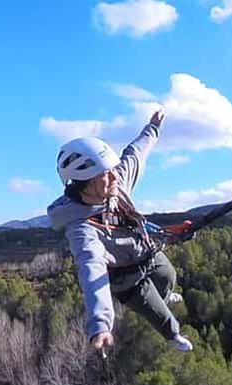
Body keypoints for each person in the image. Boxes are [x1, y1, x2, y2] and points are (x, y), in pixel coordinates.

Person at [47, 110, 193, 353]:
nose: (115, 176)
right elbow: (92, 270)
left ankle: (165, 297)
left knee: (168, 275)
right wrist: (101, 324)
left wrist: (152, 128)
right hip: (127, 279)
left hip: (145, 253)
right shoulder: (82, 229)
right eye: (106, 174)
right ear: (85, 184)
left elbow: (136, 154)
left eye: (113, 169)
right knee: (159, 315)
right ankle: (173, 335)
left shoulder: (116, 184)